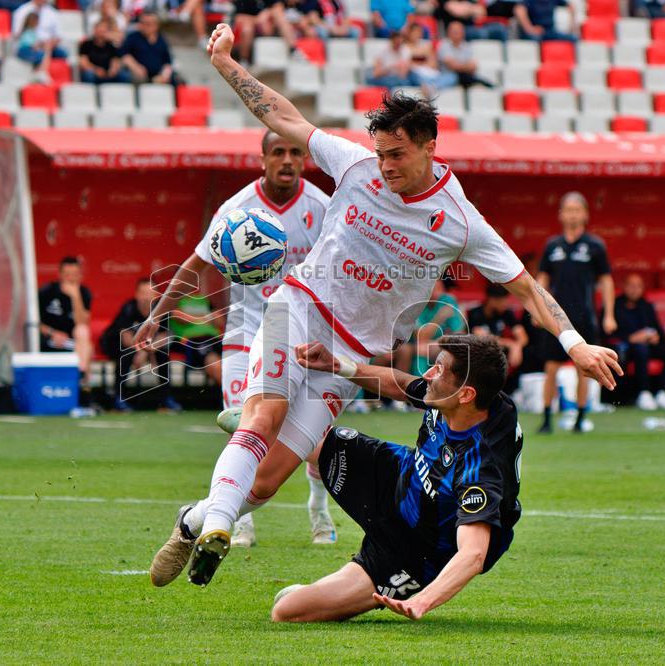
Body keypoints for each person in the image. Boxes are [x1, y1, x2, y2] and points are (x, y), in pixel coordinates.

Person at [144, 21, 620, 589]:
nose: (386, 165)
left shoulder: (461, 222)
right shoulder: (354, 164)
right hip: (296, 307)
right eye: (381, 153)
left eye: (397, 155)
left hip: (348, 355)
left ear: (428, 147)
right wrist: (225, 64)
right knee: (262, 416)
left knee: (268, 482)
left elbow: (527, 288)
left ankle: (194, 519)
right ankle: (220, 527)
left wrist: (576, 343)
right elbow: (284, 117)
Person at [139, 130, 335, 549]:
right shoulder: (236, 210)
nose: (287, 160)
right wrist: (156, 318)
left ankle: (318, 508)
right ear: (262, 158)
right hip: (245, 334)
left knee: (313, 440)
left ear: (305, 159)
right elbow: (193, 266)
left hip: (299, 334)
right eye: (277, 152)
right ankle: (239, 522)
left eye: (295, 153)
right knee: (243, 428)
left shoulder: (322, 208)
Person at [270, 335, 521, 622]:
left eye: (438, 370)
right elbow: (401, 385)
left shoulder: (479, 467)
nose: (427, 374)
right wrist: (338, 365)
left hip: (413, 549)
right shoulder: (457, 398)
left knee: (287, 611)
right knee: (301, 437)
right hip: (400, 476)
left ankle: (326, 594)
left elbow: (474, 553)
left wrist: (422, 601)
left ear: (466, 395)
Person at [536, 191, 616, 434]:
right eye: (568, 209)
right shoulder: (552, 246)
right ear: (561, 215)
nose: (572, 214)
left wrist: (609, 314)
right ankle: (548, 418)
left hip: (584, 317)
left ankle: (581, 418)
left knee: (586, 368)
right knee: (550, 367)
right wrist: (538, 310)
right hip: (555, 318)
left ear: (585, 214)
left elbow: (607, 281)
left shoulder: (595, 246)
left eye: (576, 210)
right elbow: (541, 280)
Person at [99, 277, 181, 412]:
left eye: (150, 293)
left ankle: (166, 399)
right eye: (143, 293)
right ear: (137, 294)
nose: (146, 297)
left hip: (145, 346)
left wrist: (145, 351)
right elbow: (126, 337)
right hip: (117, 344)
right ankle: (118, 399)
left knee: (162, 355)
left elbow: (164, 335)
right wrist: (140, 351)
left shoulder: (161, 310)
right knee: (125, 355)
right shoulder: (129, 308)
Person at [610, 273, 665, 411]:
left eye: (638, 286)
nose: (634, 290)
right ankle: (644, 393)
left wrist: (656, 337)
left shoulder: (646, 306)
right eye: (631, 286)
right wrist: (631, 338)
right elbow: (608, 334)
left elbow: (659, 331)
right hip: (627, 349)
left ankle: (662, 393)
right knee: (640, 349)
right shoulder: (615, 306)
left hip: (649, 346)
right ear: (624, 287)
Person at [38, 256, 94, 382]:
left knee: (83, 333)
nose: (70, 278)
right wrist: (52, 333)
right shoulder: (47, 291)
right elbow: (35, 323)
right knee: (88, 348)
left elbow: (82, 323)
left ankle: (80, 376)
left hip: (70, 340)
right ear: (60, 275)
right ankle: (80, 383)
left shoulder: (84, 293)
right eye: (67, 274)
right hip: (48, 338)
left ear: (80, 276)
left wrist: (75, 297)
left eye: (74, 274)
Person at [468, 282, 528, 376]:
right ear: (492, 300)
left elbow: (523, 336)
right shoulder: (475, 314)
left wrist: (517, 346)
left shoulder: (507, 313)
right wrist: (511, 344)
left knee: (527, 352)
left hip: (502, 354)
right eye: (503, 300)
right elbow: (483, 338)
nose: (506, 303)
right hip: (481, 354)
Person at [119, 11, 182, 85]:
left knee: (178, 81)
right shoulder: (133, 37)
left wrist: (164, 75)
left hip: (157, 75)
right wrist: (135, 67)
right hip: (138, 74)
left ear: (156, 25)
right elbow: (124, 55)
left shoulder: (161, 40)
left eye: (148, 24)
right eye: (142, 23)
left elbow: (167, 62)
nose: (144, 26)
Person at [232, 0, 297, 66]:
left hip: (269, 25)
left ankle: (293, 49)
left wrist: (267, 12)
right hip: (250, 22)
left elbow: (278, 7)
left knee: (279, 15)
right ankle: (244, 60)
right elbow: (238, 16)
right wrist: (257, 19)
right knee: (247, 29)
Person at [403, 21, 458, 94]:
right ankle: (431, 86)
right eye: (415, 32)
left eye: (419, 32)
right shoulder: (403, 47)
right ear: (409, 33)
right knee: (414, 76)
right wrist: (422, 61)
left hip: (431, 75)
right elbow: (406, 66)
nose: (417, 34)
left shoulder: (426, 45)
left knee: (452, 76)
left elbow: (434, 64)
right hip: (417, 75)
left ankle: (432, 87)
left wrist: (418, 61)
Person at [437, 21, 494, 89]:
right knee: (454, 77)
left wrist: (458, 66)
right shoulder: (444, 45)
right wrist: (465, 66)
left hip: (465, 76)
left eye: (459, 32)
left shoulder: (466, 46)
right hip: (448, 76)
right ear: (449, 33)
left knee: (479, 81)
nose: (457, 34)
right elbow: (452, 66)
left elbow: (473, 66)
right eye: (455, 32)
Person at [79, 18, 131, 84]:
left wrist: (113, 69)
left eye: (104, 30)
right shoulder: (86, 44)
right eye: (99, 29)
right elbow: (83, 62)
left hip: (109, 74)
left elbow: (115, 60)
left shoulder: (111, 45)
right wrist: (96, 70)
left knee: (124, 75)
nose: (101, 32)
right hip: (94, 73)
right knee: (88, 75)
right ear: (94, 30)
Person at [434, 1, 508, 41]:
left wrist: (464, 8)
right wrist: (470, 8)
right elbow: (457, 11)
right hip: (458, 30)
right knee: (481, 33)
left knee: (500, 29)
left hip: (474, 27)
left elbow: (482, 12)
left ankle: (506, 61)